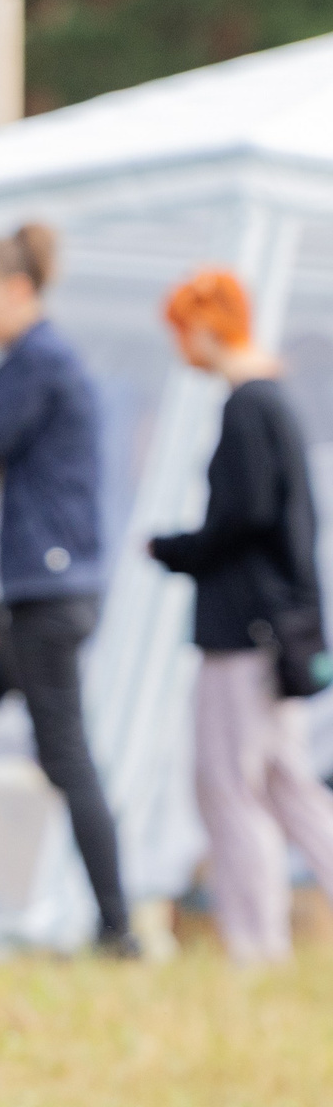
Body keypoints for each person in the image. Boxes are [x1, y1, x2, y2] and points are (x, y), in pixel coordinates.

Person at [0, 225, 134, 955]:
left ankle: (118, 929)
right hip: (20, 598)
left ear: (18, 291)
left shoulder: (35, 361)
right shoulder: (35, 361)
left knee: (62, 756)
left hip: (39, 597)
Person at [148, 268, 333, 965]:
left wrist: (174, 548)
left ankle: (256, 946)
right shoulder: (275, 403)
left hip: (246, 629)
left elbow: (243, 515)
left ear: (199, 327)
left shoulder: (247, 404)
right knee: (291, 785)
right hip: (280, 624)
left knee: (229, 785)